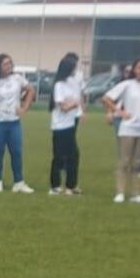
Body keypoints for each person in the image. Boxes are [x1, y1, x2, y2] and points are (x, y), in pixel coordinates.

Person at [103, 58, 140, 203]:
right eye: (139, 68)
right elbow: (106, 98)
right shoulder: (127, 84)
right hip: (128, 127)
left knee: (137, 162)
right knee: (124, 160)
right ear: (134, 70)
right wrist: (119, 112)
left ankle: (136, 193)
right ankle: (120, 192)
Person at [0, 54, 34, 194]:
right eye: (5, 64)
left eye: (10, 63)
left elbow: (30, 90)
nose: (9, 66)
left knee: (16, 152)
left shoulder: (17, 78)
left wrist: (24, 108)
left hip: (14, 122)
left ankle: (19, 182)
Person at [48, 52, 83, 196]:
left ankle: (71, 186)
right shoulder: (59, 85)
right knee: (59, 156)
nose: (76, 70)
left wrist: (76, 106)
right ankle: (55, 186)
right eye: (74, 67)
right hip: (60, 125)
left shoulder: (73, 82)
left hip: (70, 122)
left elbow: (76, 99)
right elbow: (62, 106)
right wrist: (74, 104)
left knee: (73, 155)